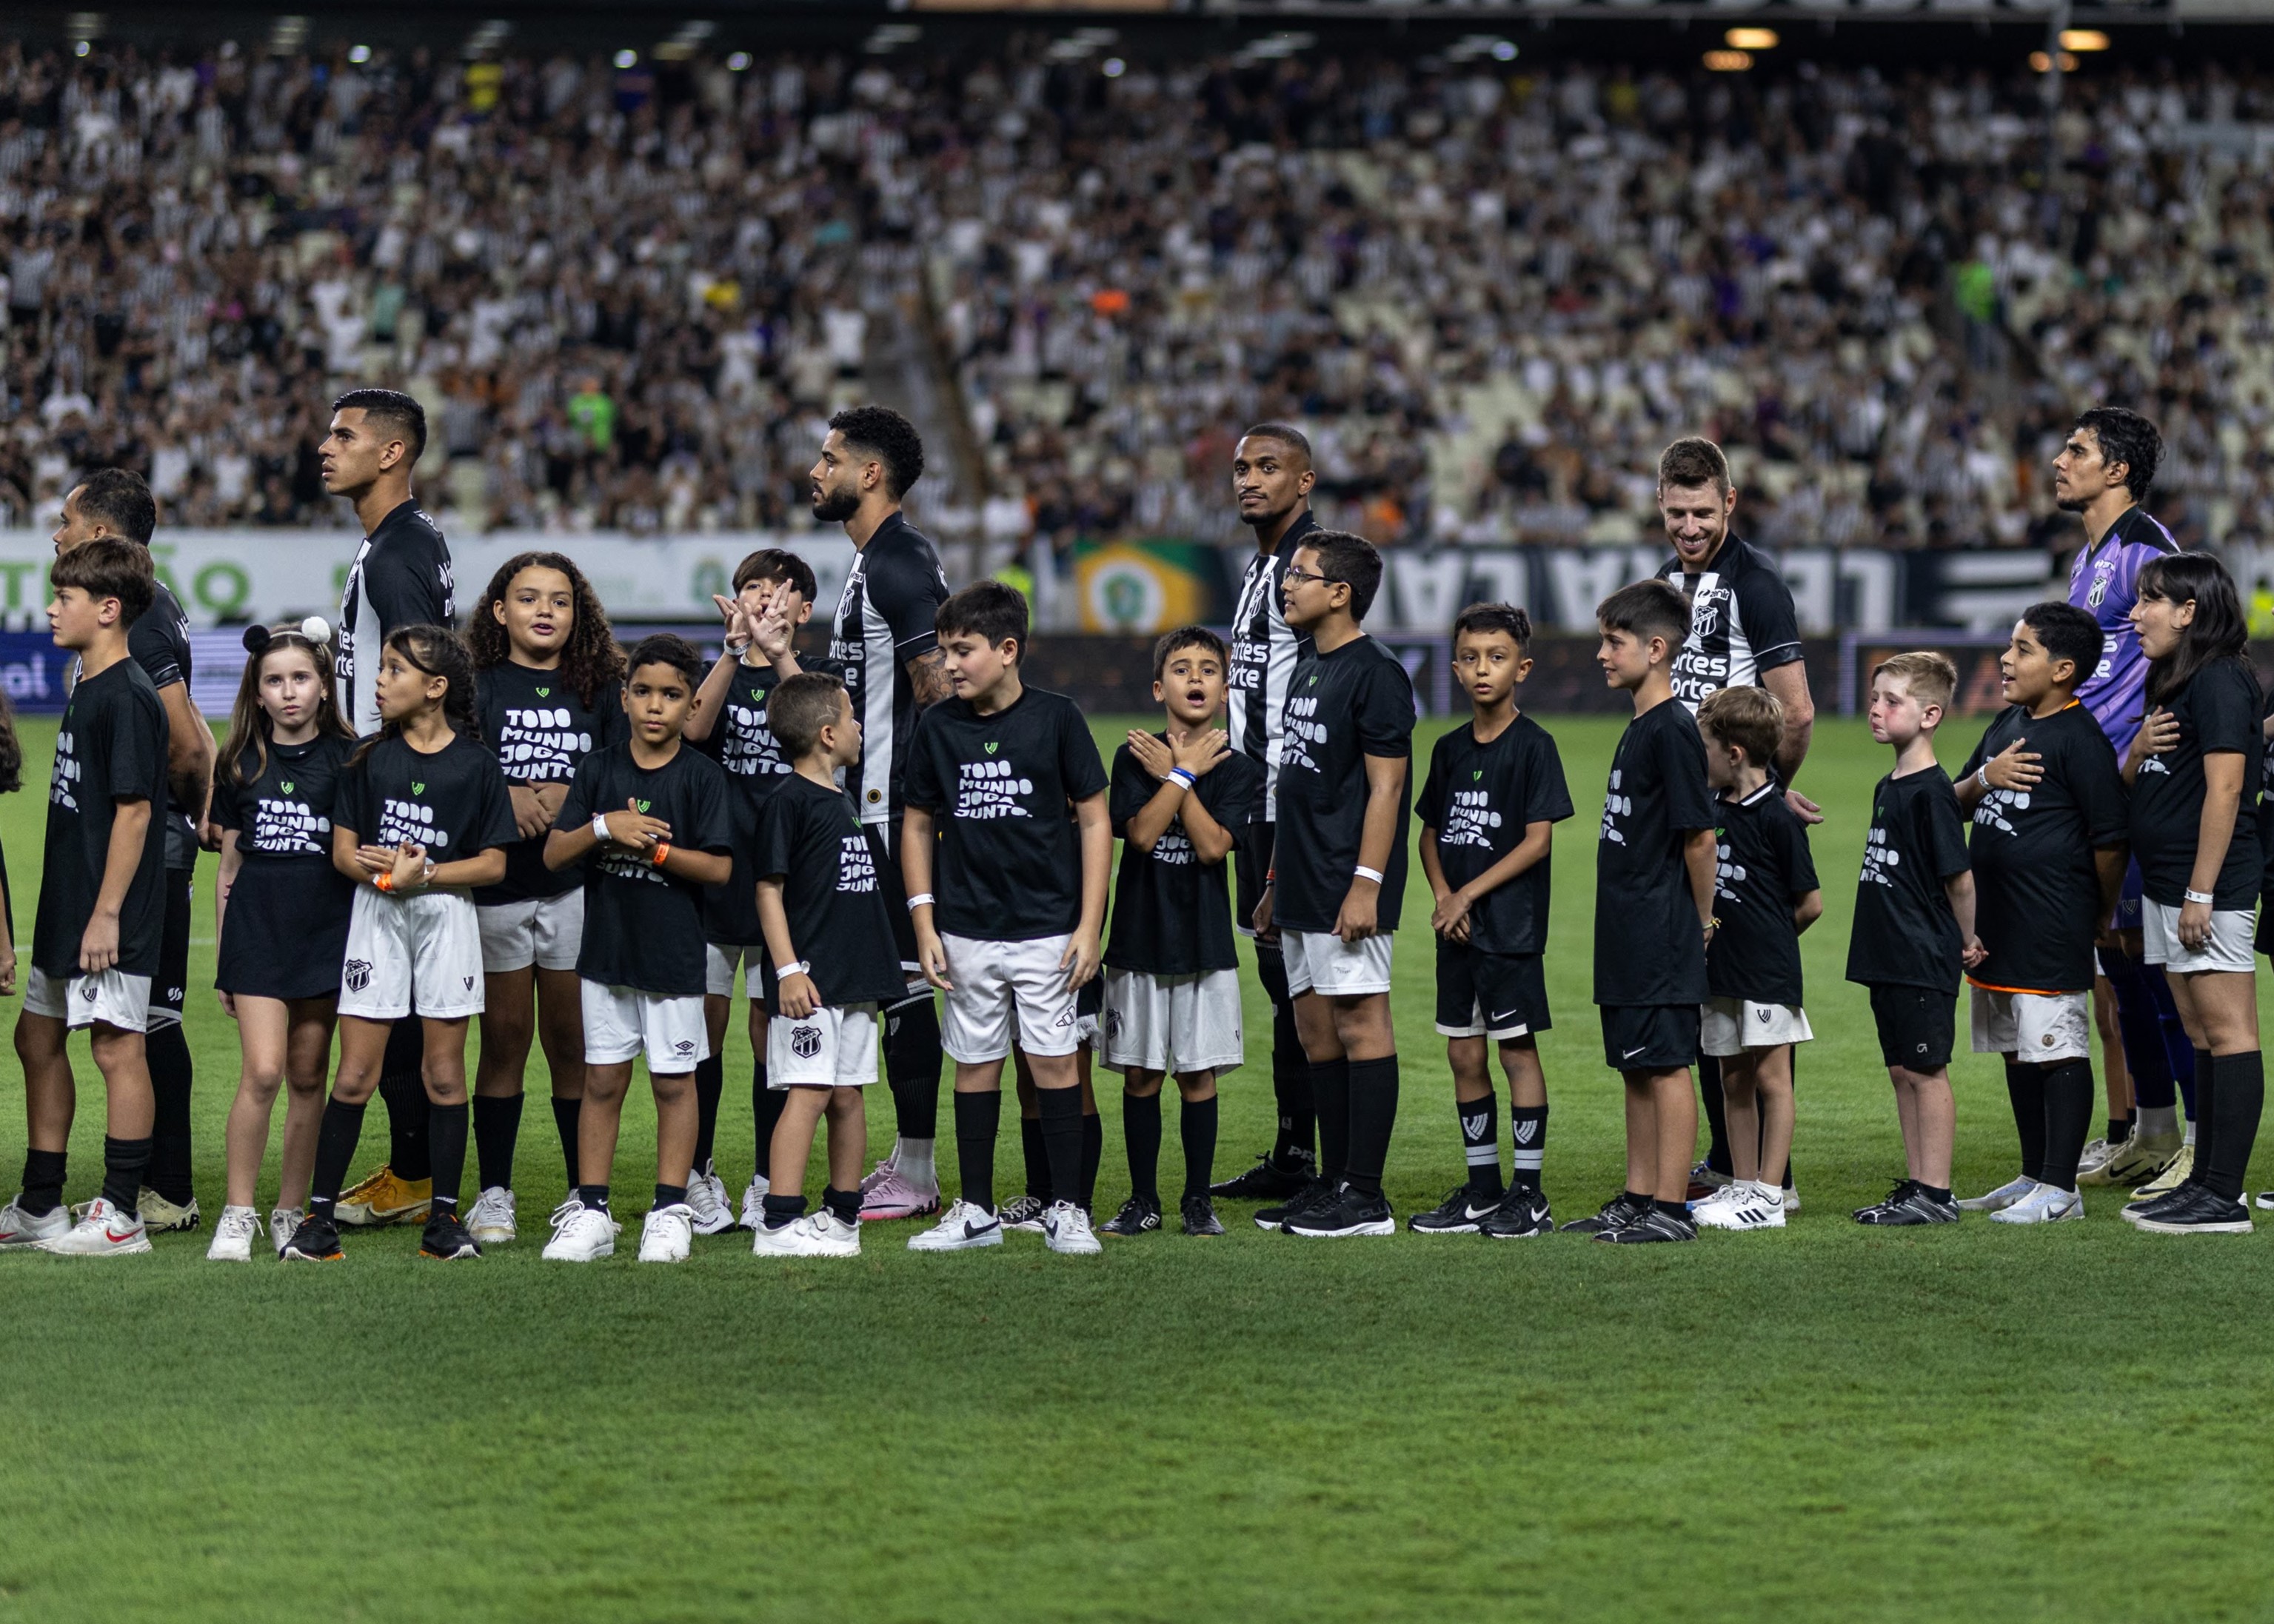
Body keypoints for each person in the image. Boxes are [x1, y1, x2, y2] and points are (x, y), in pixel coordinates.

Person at [282, 626, 515, 1263]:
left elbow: (494, 863)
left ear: (435, 688)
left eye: (393, 669)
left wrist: (429, 873)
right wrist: (389, 877)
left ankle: (443, 1219)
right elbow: (342, 853)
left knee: (443, 1073)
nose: (379, 680)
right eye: (381, 667)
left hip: (446, 916)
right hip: (378, 912)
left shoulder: (476, 764)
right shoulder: (368, 757)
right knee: (355, 1071)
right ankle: (318, 1220)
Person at [900, 581, 1111, 1257]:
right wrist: (924, 923)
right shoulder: (936, 726)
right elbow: (916, 825)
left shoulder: (1057, 718)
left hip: (1048, 930)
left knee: (1055, 1067)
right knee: (974, 1066)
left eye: (962, 651)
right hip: (963, 928)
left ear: (1008, 649)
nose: (949, 665)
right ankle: (976, 1211)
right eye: (944, 651)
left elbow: (1095, 819)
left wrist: (1087, 925)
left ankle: (1067, 1209)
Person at [1652, 436, 1819, 1210]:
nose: (1687, 526)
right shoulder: (1664, 584)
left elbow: (1797, 710)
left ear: (1728, 503)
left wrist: (1762, 796)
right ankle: (1730, 1164)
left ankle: (1769, 1179)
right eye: (1674, 512)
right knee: (1705, 996)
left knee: (1750, 988)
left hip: (1733, 819)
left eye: (1700, 511)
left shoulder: (1756, 586)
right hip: (1681, 816)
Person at [50, 470, 215, 1236]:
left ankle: (160, 1192)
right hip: (149, 839)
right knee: (148, 1021)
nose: (57, 532)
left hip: (147, 846)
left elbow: (182, 742)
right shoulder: (163, 606)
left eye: (66, 521)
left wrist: (179, 818)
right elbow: (199, 734)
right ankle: (152, 1187)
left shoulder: (134, 631)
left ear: (101, 536)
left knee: (146, 1023)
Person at [538, 635, 735, 1263]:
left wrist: (652, 849)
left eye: (672, 695)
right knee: (602, 1081)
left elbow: (719, 869)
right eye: (644, 692)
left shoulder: (702, 777)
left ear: (690, 704)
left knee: (675, 1085)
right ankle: (592, 1212)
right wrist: (604, 827)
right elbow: (552, 852)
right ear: (623, 698)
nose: (656, 706)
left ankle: (669, 1208)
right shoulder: (598, 769)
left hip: (675, 962)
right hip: (606, 956)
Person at [1, 540, 168, 1255]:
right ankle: (42, 1204)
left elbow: (134, 813)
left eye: (64, 596)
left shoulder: (128, 694)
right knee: (36, 1037)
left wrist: (105, 913)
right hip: (68, 905)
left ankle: (122, 1213)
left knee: (115, 1047)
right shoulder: (86, 681)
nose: (49, 607)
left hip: (111, 914)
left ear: (107, 609)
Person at [320, 387, 458, 1230]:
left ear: (391, 454)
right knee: (397, 996)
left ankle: (415, 1174)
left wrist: (394, 790)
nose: (326, 448)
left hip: (388, 790)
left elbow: (419, 679)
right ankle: (411, 1170)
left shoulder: (394, 552)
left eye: (344, 436)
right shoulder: (408, 540)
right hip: (388, 781)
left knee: (394, 999)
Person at [1251, 531, 1414, 1241]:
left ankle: (1367, 1196)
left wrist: (1366, 886)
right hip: (1301, 880)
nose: (1287, 584)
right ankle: (1332, 1182)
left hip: (1348, 882)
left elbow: (1387, 787)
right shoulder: (1308, 665)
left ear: (1339, 592)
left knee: (1359, 1023)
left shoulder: (1376, 671)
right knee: (1316, 1033)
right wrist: (1273, 879)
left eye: (1300, 575)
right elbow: (1298, 787)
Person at [814, 406, 954, 1222]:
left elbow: (936, 693)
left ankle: (918, 1170)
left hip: (890, 815)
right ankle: (908, 1162)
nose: (815, 471)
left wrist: (926, 813)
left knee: (903, 990)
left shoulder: (898, 563)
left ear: (869, 475)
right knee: (894, 989)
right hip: (873, 809)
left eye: (829, 459)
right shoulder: (876, 563)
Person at [2052, 409, 2196, 1192]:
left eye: (2076, 450)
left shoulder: (2146, 551)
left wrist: (2143, 755)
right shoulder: (2091, 559)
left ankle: (2202, 1147)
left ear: (2116, 471)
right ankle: (2151, 1130)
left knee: (2159, 968)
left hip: (2140, 788)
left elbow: (2184, 661)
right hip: (2096, 787)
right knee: (2117, 967)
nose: (2057, 460)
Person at [466, 551, 627, 1246]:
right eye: (528, 598)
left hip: (575, 890)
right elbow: (448, 768)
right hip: (498, 888)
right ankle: (494, 1193)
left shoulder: (601, 687)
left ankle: (578, 1193)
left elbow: (631, 771)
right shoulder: (475, 686)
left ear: (578, 612)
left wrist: (575, 801)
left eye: (559, 601)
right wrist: (500, 795)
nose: (544, 611)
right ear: (499, 611)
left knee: (570, 1042)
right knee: (503, 1040)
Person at [1952, 604, 2128, 1225]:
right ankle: (2033, 1174)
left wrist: (2097, 911)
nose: (2005, 657)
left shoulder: (2082, 741)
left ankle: (2061, 1191)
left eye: (2022, 649)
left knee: (2056, 1050)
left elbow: (2109, 840)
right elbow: (1951, 800)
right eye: (2009, 644)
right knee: (2016, 1050)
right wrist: (1983, 778)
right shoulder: (2006, 724)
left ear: (2062, 669)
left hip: (2051, 919)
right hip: (1996, 924)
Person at [1410, 604, 1572, 1240]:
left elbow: (1536, 842)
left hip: (1508, 928)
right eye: (1471, 657)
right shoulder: (1449, 749)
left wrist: (1464, 896)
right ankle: (1481, 1190)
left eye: (1496, 657)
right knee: (1461, 1051)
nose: (1483, 668)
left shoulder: (1534, 746)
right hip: (1458, 930)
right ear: (1454, 666)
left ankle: (1527, 1194)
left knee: (1516, 1051)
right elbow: (1428, 834)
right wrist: (1444, 894)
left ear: (1522, 668)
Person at [1095, 626, 1261, 1239]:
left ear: (1223, 688)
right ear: (1158, 686)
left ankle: (1196, 1200)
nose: (1196, 678)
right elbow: (1140, 834)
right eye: (1183, 668)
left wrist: (1184, 774)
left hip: (1204, 944)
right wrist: (1178, 774)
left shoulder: (1238, 769)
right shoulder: (1134, 754)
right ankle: (1143, 1199)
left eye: (1209, 669)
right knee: (1140, 1074)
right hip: (1138, 941)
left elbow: (1215, 847)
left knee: (1197, 1075)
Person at [1567, 580, 1717, 1245]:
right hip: (1625, 923)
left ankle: (1671, 1206)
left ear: (1656, 649)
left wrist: (1702, 920)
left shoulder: (1673, 729)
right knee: (1634, 1062)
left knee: (1664, 1063)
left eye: (1613, 641)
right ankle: (1637, 1194)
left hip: (1660, 924)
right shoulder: (1638, 725)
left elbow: (1699, 836)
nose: (1602, 653)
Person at [2118, 555, 2263, 1234]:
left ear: (2189, 610)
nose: (2136, 612)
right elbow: (2139, 778)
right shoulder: (2173, 678)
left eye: (2151, 600)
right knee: (2202, 1030)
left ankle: (2224, 1197)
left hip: (2207, 885)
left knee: (2228, 1032)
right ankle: (2205, 1180)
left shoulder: (2221, 679)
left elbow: (2227, 790)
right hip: (2170, 882)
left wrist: (2202, 889)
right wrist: (2139, 745)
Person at [206, 623, 358, 1261]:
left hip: (326, 932)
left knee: (305, 1076)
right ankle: (237, 1213)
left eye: (300, 678)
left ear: (324, 686)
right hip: (258, 932)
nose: (288, 691)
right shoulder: (239, 758)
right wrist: (222, 959)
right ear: (258, 691)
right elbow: (229, 868)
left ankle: (290, 1211)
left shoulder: (352, 759)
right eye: (274, 680)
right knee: (262, 1071)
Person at [748, 672, 907, 1258]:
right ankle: (779, 1222)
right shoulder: (788, 802)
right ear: (826, 734)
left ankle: (842, 1217)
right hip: (810, 983)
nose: (859, 726)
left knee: (848, 1094)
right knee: (810, 1092)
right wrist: (788, 970)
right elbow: (768, 890)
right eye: (851, 716)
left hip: (854, 977)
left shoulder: (838, 797)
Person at [686, 546, 816, 1230]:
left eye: (780, 590)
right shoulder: (725, 673)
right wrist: (735, 651)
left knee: (771, 1030)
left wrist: (779, 653)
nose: (766, 599)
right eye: (752, 589)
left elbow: (816, 738)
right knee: (705, 1029)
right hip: (717, 874)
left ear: (805, 608)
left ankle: (769, 1175)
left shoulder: (809, 681)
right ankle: (697, 1171)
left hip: (785, 881)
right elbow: (692, 728)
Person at [1214, 424, 1323, 1202]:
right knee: (1282, 980)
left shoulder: (1312, 570)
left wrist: (1290, 851)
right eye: (1241, 469)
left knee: (1309, 983)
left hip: (1290, 807)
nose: (1248, 480)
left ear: (1304, 481)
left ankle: (1328, 1163)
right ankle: (1293, 1153)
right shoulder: (1263, 569)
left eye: (1266, 468)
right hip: (1254, 805)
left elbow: (1319, 711)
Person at [1847, 652, 1984, 1227]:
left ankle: (1937, 1190)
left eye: (1891, 701)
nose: (1876, 709)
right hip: (1887, 952)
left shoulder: (1931, 792)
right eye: (1875, 698)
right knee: (1902, 1070)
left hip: (1921, 951)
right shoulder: (1891, 783)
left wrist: (1968, 938)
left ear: (1929, 714)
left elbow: (1959, 877)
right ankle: (1917, 1182)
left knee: (1927, 1071)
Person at [1691, 686, 1822, 1232]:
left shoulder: (1776, 816)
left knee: (1772, 1080)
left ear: (1735, 753)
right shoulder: (1713, 809)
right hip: (1719, 971)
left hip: (1765, 973)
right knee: (1732, 1079)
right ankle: (1741, 1185)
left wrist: (1770, 940)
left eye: (1706, 746)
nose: (1702, 757)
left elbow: (1810, 903)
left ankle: (1769, 1193)